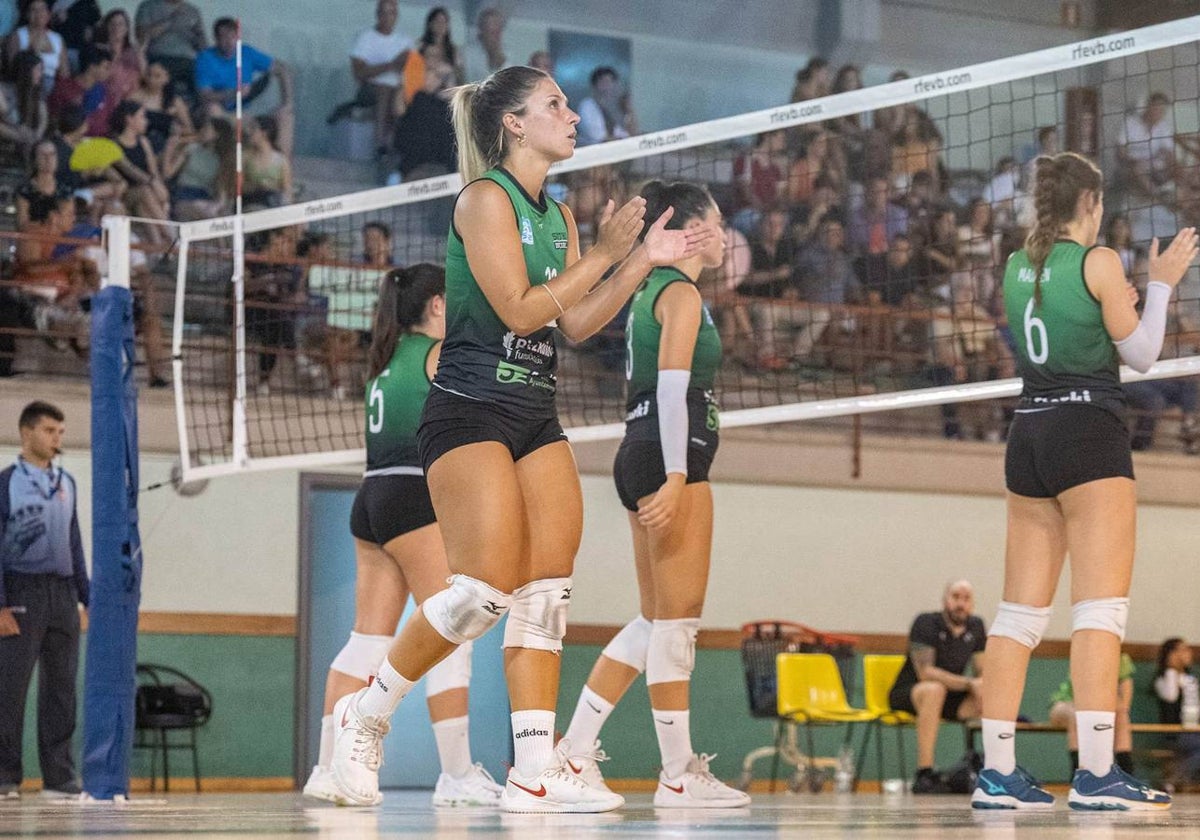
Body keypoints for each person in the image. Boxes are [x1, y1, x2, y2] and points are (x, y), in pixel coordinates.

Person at [327, 64, 710, 812]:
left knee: (547, 590)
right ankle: (365, 714)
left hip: (534, 409)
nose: (572, 117)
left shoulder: (560, 216)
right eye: (556, 105)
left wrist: (641, 263)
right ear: (513, 124)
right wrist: (605, 255)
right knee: (480, 592)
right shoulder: (482, 201)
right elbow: (522, 309)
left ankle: (533, 772)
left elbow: (575, 323)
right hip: (468, 407)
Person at [971, 151, 1196, 810]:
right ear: (1090, 204)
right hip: (1088, 433)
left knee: (1016, 617)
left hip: (1028, 435)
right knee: (1100, 611)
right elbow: (1144, 355)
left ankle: (997, 773)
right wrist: (1160, 283)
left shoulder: (1016, 266)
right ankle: (1097, 774)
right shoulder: (1098, 262)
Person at [558, 180, 749, 808]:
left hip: (642, 448)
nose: (725, 235)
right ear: (690, 229)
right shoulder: (681, 293)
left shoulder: (651, 291)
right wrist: (674, 474)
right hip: (671, 453)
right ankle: (677, 775)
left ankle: (574, 751)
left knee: (654, 621)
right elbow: (672, 392)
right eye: (717, 223)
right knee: (677, 625)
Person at [302, 264, 503, 808]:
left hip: (370, 500)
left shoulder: (384, 363)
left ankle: (325, 768)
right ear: (438, 305)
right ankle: (457, 775)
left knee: (367, 640)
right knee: (450, 630)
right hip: (414, 496)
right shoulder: (438, 357)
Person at [0, 401, 89, 800]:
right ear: (27, 433)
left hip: (63, 594)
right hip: (21, 591)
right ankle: (5, 775)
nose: (57, 439)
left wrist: (87, 598)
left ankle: (58, 777)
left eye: (60, 432)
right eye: (50, 431)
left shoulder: (66, 482)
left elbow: (74, 542)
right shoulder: (6, 483)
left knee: (62, 689)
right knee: (10, 689)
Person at [888, 580, 985, 794]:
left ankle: (985, 769)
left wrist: (982, 684)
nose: (961, 603)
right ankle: (924, 772)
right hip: (912, 692)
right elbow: (926, 672)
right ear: (945, 600)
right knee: (934, 690)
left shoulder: (977, 626)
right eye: (955, 597)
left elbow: (982, 669)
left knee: (988, 695)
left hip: (951, 696)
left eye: (966, 598)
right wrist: (969, 683)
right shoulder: (926, 623)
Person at [195, 17, 293, 159]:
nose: (229, 42)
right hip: (223, 110)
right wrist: (232, 94)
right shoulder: (206, 58)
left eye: (233, 37)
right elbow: (204, 94)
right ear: (216, 39)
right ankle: (218, 161)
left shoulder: (246, 52)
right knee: (212, 109)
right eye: (223, 37)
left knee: (286, 116)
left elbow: (283, 69)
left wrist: (287, 102)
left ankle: (282, 169)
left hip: (247, 110)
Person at [1049, 652, 1136, 778]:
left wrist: (1116, 706)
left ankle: (1126, 772)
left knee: (1121, 715)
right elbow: (1079, 696)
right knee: (1076, 714)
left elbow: (1124, 703)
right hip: (1066, 704)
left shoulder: (1121, 659)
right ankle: (1078, 774)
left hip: (1099, 706)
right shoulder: (1086, 651)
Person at [349, 0, 414, 157]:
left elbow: (413, 71)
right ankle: (380, 146)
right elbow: (359, 73)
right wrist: (390, 65)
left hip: (398, 90)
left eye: (391, 13)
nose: (387, 17)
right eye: (383, 12)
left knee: (403, 97)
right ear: (377, 14)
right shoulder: (365, 38)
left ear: (396, 16)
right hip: (369, 90)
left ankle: (401, 150)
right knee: (384, 91)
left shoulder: (405, 41)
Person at [1153, 637, 1200, 789]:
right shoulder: (1164, 679)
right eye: (1183, 650)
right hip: (1175, 732)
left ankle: (1176, 779)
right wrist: (1172, 669)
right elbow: (1171, 696)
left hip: (1195, 730)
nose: (1188, 654)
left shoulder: (1191, 679)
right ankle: (1172, 780)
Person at [133, 0, 205, 98]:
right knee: (165, 88)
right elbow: (141, 37)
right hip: (160, 57)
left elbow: (202, 45)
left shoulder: (193, 11)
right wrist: (171, 20)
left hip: (188, 60)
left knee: (204, 82)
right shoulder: (147, 6)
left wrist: (197, 37)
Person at [6, 1, 67, 98]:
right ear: (27, 15)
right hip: (26, 84)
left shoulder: (57, 39)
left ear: (48, 14)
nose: (39, 13)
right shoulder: (18, 36)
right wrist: (33, 51)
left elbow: (64, 73)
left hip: (51, 88)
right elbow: (13, 67)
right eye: (34, 10)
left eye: (42, 9)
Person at [576, 66, 634, 147]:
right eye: (604, 82)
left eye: (611, 82)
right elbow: (599, 138)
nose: (608, 87)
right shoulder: (587, 106)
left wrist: (629, 110)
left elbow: (630, 135)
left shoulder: (614, 107)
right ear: (595, 86)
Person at [462, 6, 507, 82]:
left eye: (498, 25)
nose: (496, 30)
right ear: (481, 29)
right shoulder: (468, 52)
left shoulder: (507, 52)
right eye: (491, 24)